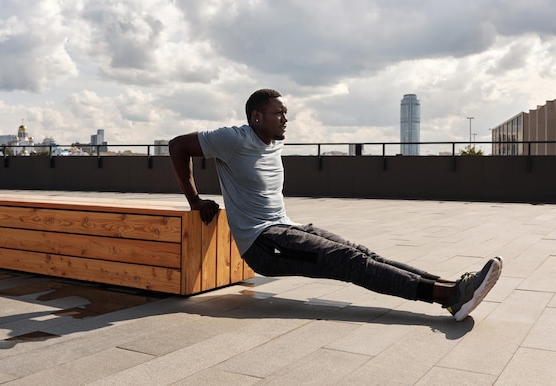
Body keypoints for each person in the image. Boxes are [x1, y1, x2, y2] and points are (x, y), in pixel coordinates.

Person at [169, 88, 502, 322]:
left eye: (286, 113)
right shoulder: (232, 138)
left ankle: (453, 288)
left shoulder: (268, 141)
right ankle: (448, 296)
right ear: (257, 117)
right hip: (263, 243)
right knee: (348, 261)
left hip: (286, 227)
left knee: (361, 252)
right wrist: (195, 200)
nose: (286, 119)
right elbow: (177, 146)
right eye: (278, 113)